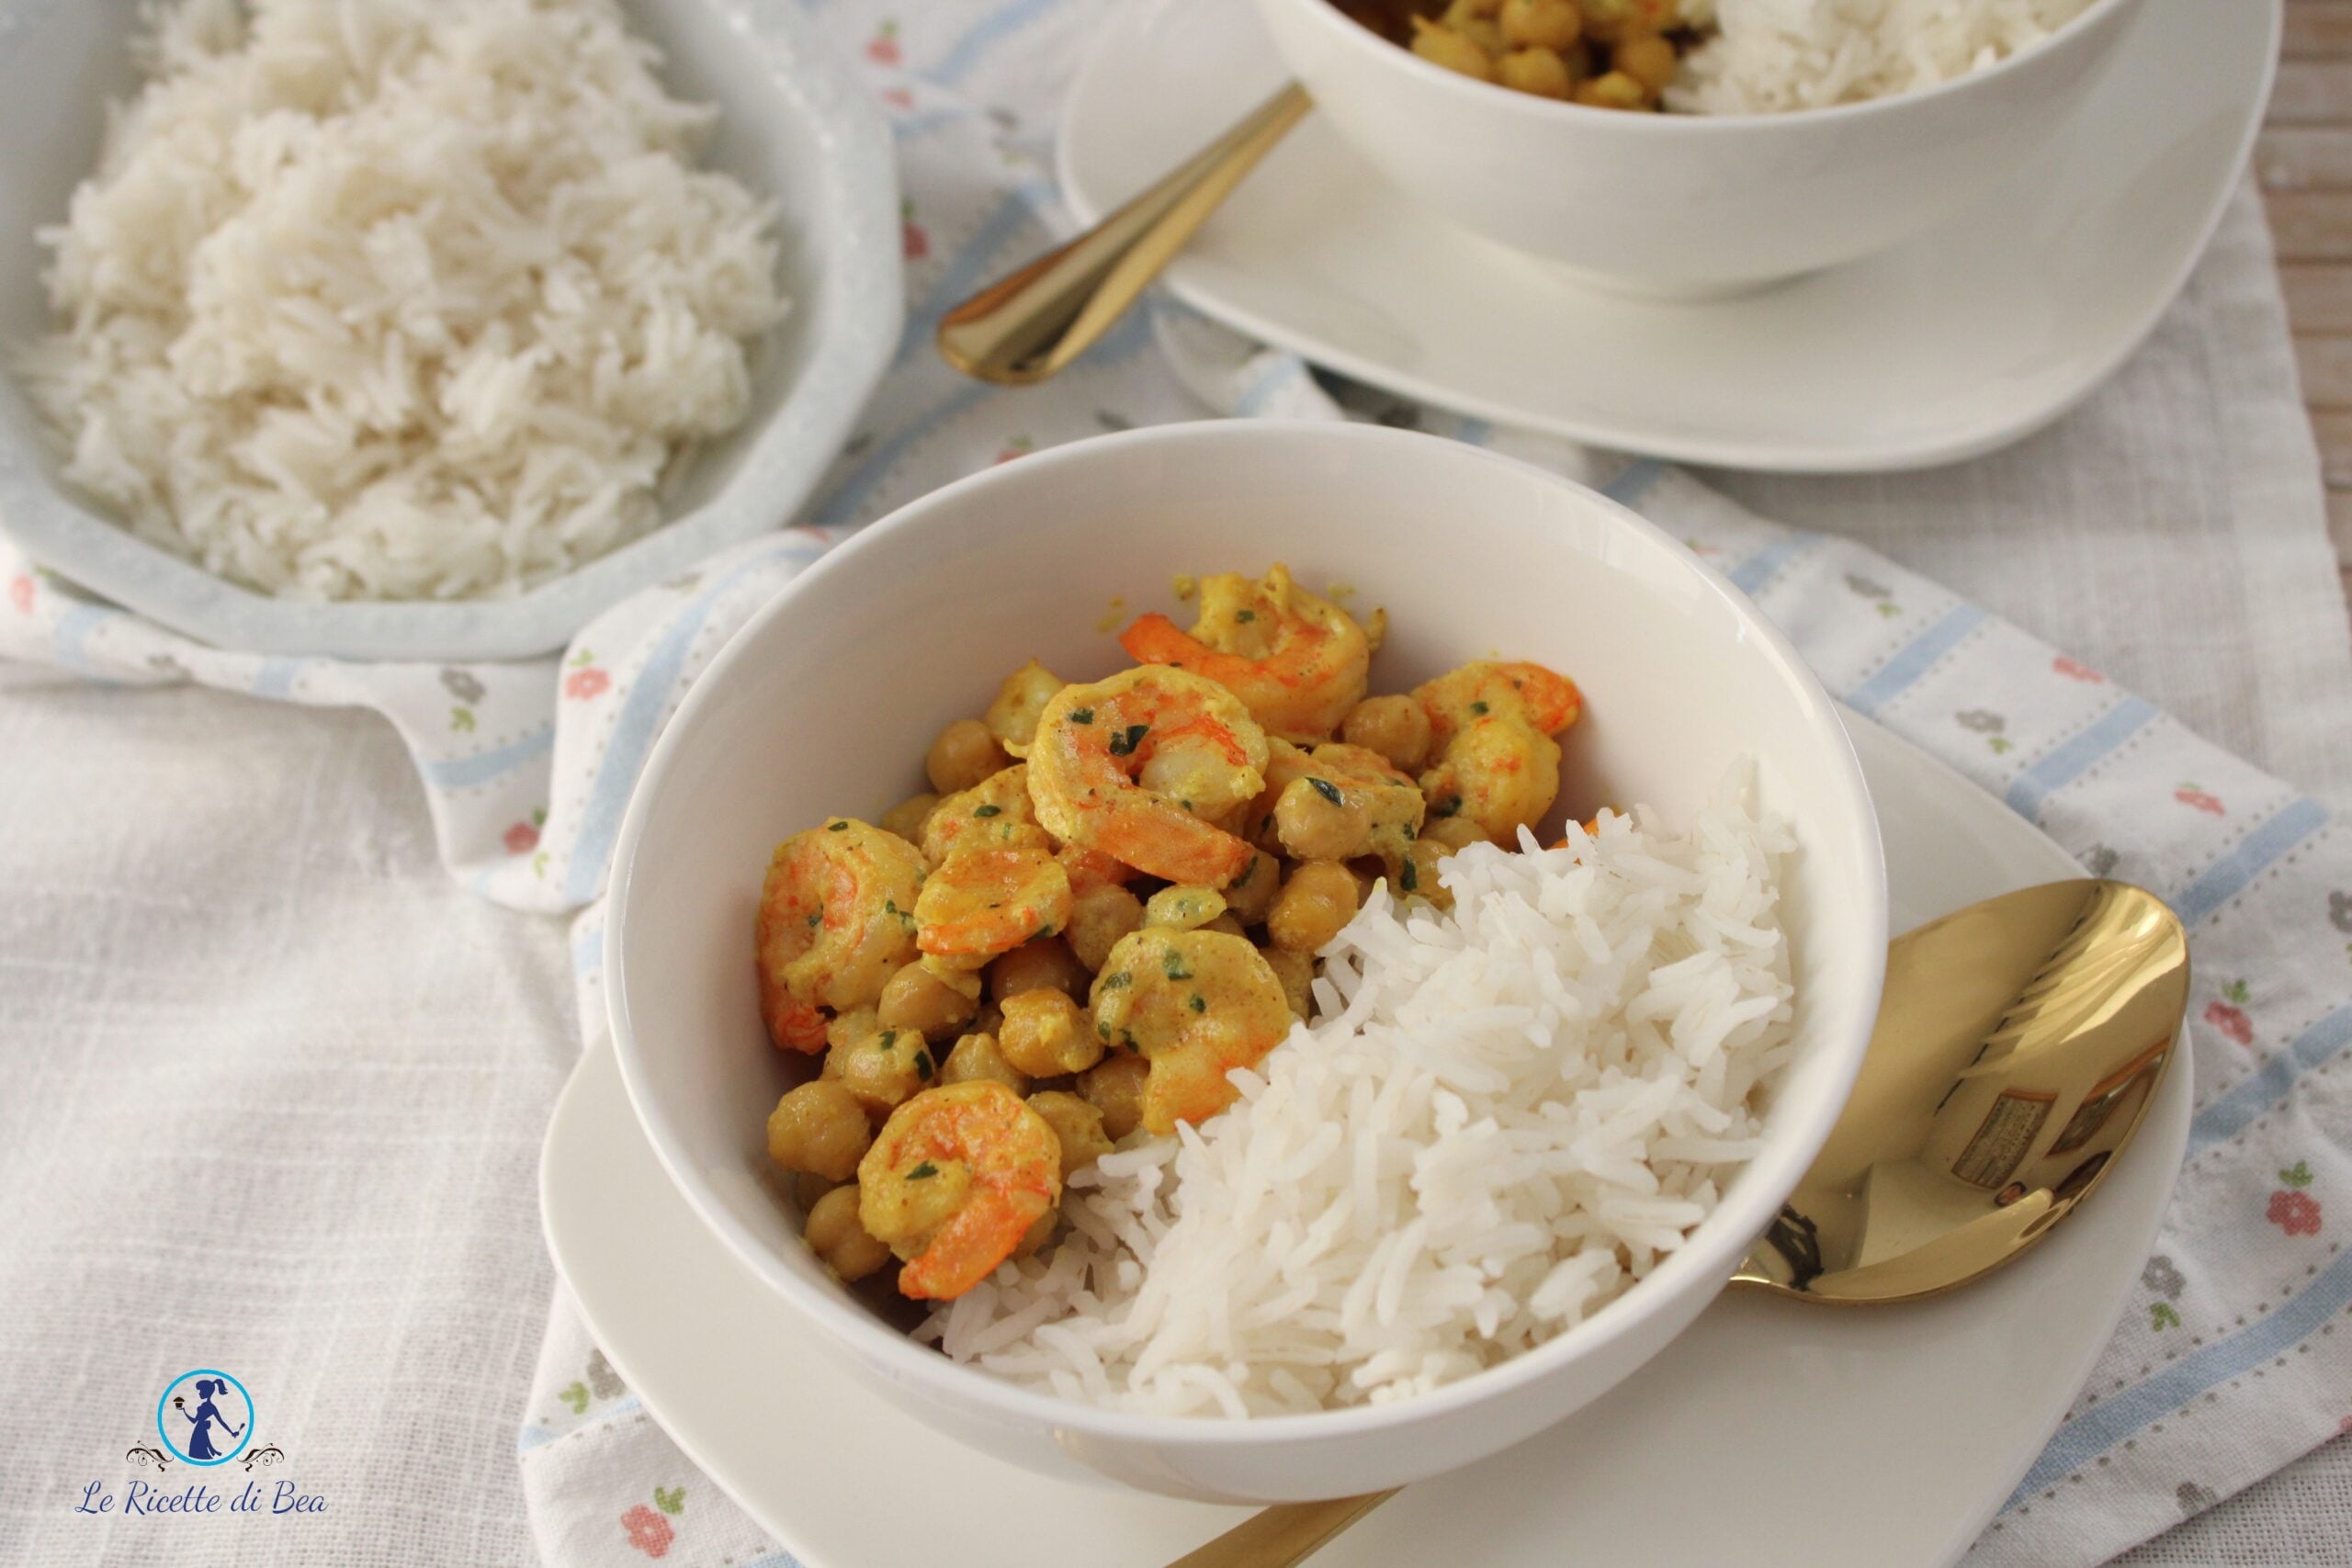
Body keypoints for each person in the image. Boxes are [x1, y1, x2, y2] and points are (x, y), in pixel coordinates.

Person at [174, 1378, 242, 1461]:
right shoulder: (203, 1405)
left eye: (201, 1391)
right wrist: (184, 1411)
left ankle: (213, 1453)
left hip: (200, 1430)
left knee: (199, 1453)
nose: (199, 1393)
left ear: (207, 1392)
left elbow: (221, 1421)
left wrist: (231, 1432)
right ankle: (213, 1452)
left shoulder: (211, 1407)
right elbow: (194, 1421)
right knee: (197, 1452)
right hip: (198, 1430)